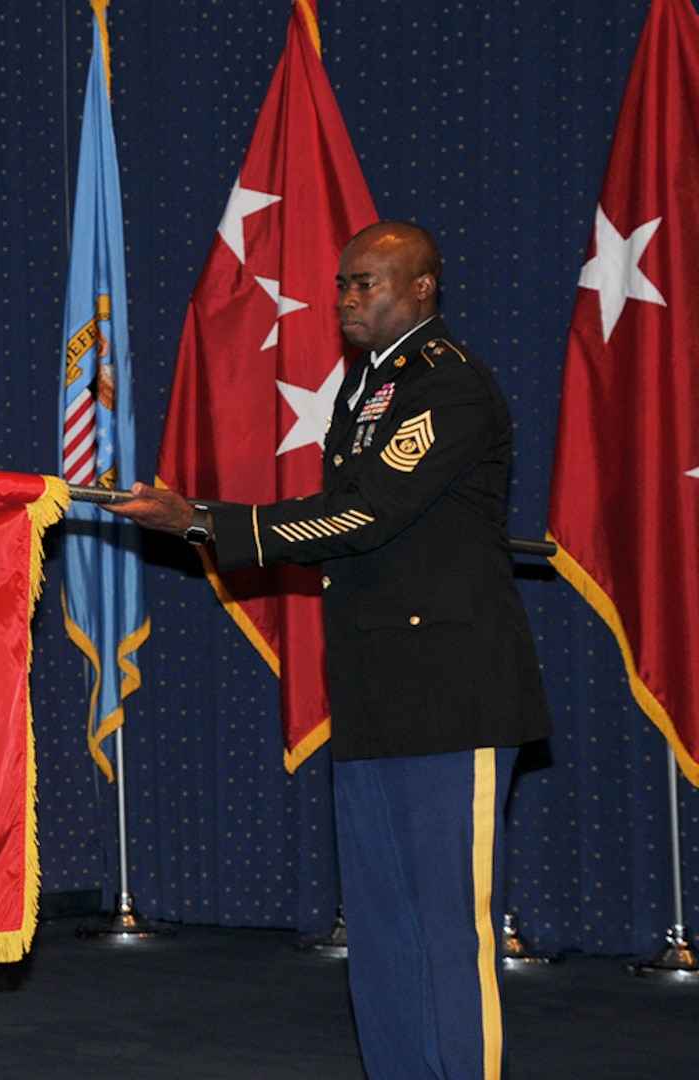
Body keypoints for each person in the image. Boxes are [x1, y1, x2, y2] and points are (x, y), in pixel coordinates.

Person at [108, 221, 551, 1080]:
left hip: (452, 692)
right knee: (382, 926)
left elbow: (365, 515)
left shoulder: (447, 387)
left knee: (447, 929)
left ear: (423, 288)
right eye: (344, 284)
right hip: (378, 684)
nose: (348, 299)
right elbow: (346, 508)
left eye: (368, 284)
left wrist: (204, 521)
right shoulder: (369, 388)